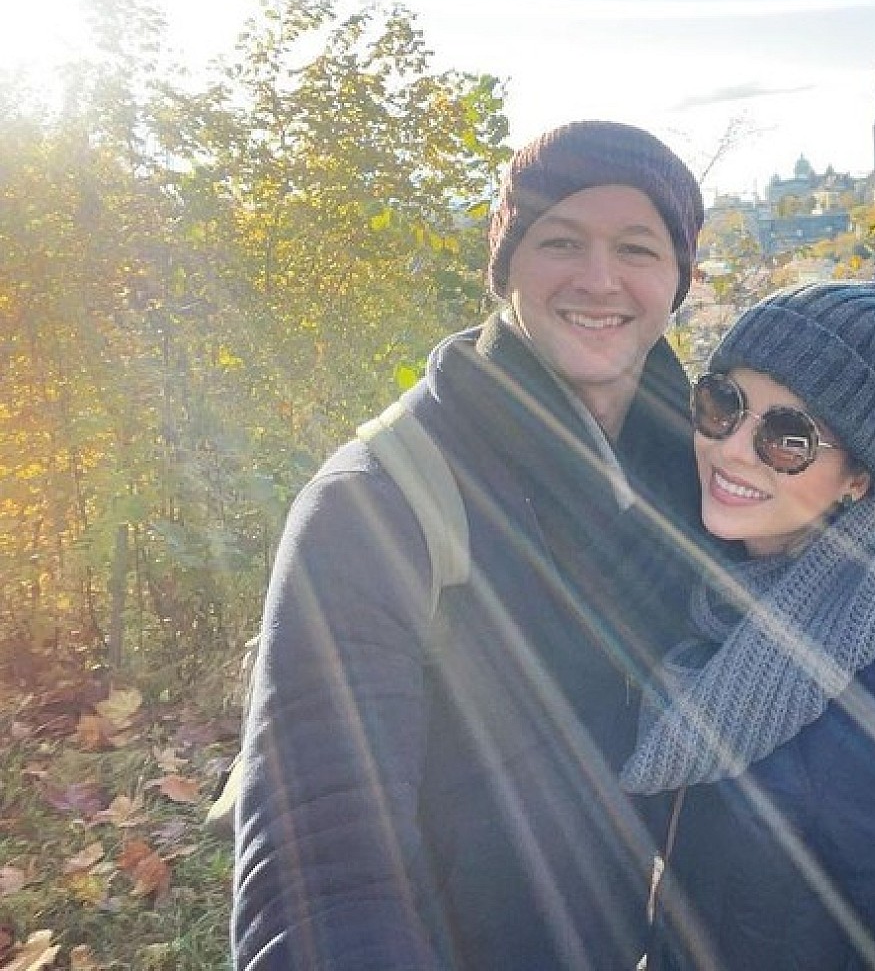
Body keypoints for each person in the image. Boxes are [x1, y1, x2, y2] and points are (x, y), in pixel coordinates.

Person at [232, 120, 706, 970]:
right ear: (506, 267)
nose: (599, 279)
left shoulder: (711, 479)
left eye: (638, 248)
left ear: (680, 281)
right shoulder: (376, 506)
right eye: (560, 239)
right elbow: (321, 880)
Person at [622, 282, 875, 971]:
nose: (735, 449)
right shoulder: (694, 594)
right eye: (723, 405)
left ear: (857, 478)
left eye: (788, 438)